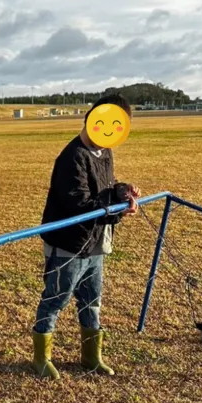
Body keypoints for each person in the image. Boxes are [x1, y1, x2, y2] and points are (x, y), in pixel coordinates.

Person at [32, 93, 141, 380]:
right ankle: (41, 357)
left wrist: (122, 192)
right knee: (56, 298)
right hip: (68, 244)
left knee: (92, 300)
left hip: (95, 244)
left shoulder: (104, 152)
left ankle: (91, 357)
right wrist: (118, 211)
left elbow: (105, 188)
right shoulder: (72, 157)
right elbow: (79, 205)